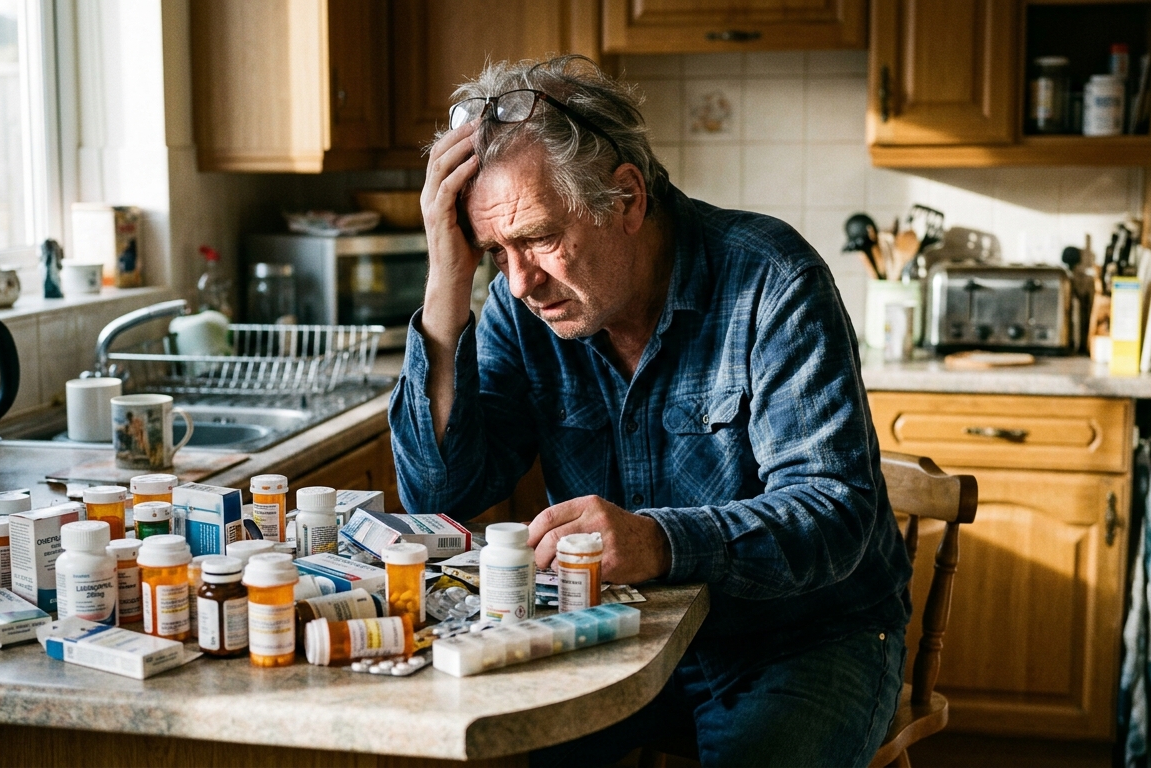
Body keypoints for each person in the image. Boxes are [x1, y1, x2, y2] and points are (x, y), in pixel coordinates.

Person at [388, 55, 912, 767]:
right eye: (492, 252)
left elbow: (834, 512)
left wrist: (660, 542)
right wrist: (447, 289)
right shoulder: (521, 306)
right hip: (615, 632)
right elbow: (440, 498)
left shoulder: (772, 281)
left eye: (540, 237)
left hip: (801, 638)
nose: (519, 282)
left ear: (627, 198)